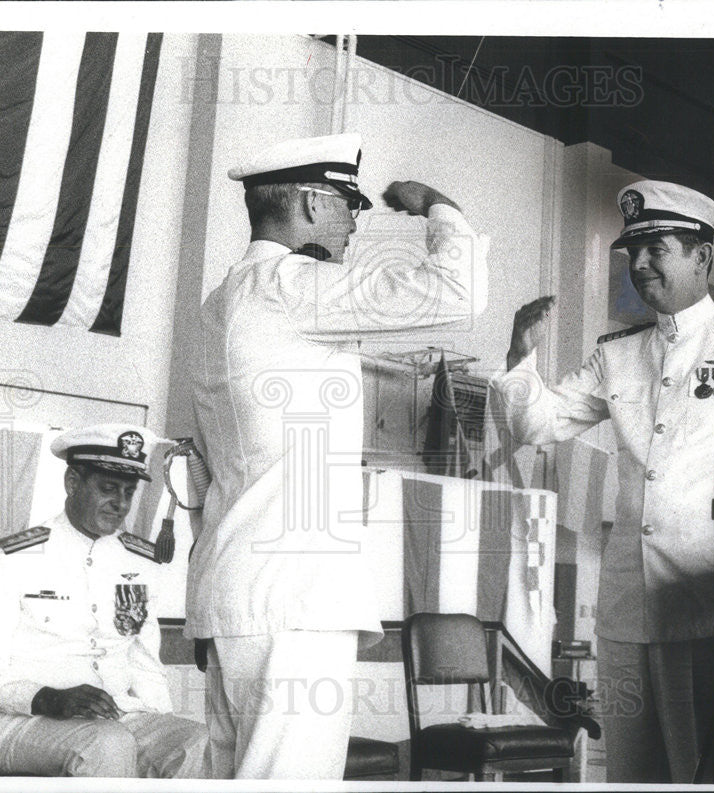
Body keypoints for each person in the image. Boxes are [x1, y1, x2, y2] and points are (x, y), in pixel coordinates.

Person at [493, 180, 714, 783]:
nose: (640, 265)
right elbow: (535, 424)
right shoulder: (618, 355)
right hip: (628, 605)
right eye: (632, 252)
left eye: (657, 249)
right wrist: (520, 358)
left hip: (711, 599)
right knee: (628, 771)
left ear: (701, 257)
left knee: (706, 766)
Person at [186, 132, 488, 779]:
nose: (355, 221)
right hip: (295, 604)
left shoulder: (219, 305)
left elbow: (201, 466)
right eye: (349, 203)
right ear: (310, 201)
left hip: (234, 597)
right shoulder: (289, 285)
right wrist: (440, 206)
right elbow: (456, 293)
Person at [0, 424, 210, 778]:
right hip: (19, 720)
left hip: (115, 718)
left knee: (197, 743)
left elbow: (144, 660)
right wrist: (45, 697)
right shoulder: (16, 556)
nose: (120, 504)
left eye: (129, 492)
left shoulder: (139, 561)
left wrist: (156, 719)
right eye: (108, 488)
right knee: (106, 743)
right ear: (72, 483)